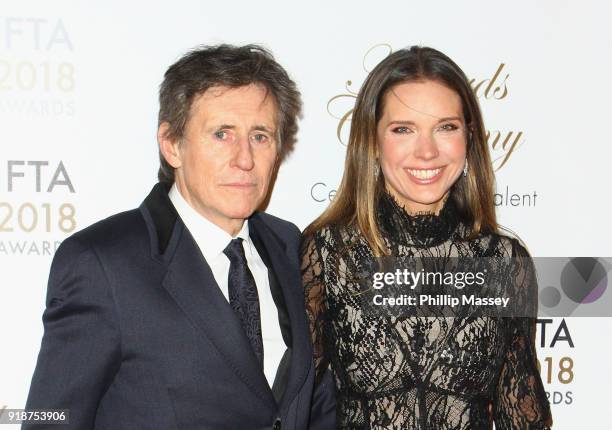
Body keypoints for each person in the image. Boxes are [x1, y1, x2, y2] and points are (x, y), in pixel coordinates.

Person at [24, 44, 335, 430]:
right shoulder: (103, 263)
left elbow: (317, 407)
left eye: (260, 136)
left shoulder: (293, 248)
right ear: (172, 144)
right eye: (222, 134)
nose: (245, 159)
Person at [302, 46, 552, 429]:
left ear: (468, 137)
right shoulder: (330, 254)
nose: (427, 151)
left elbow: (521, 415)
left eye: (446, 127)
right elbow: (290, 404)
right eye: (403, 129)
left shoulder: (504, 262)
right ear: (372, 140)